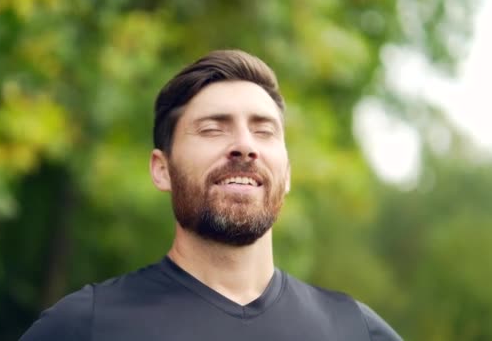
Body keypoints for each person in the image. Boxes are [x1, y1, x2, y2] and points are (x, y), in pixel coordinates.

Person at [20, 50, 402, 341]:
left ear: (286, 173)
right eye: (212, 129)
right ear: (162, 168)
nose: (244, 145)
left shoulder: (355, 331)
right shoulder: (87, 326)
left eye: (264, 130)